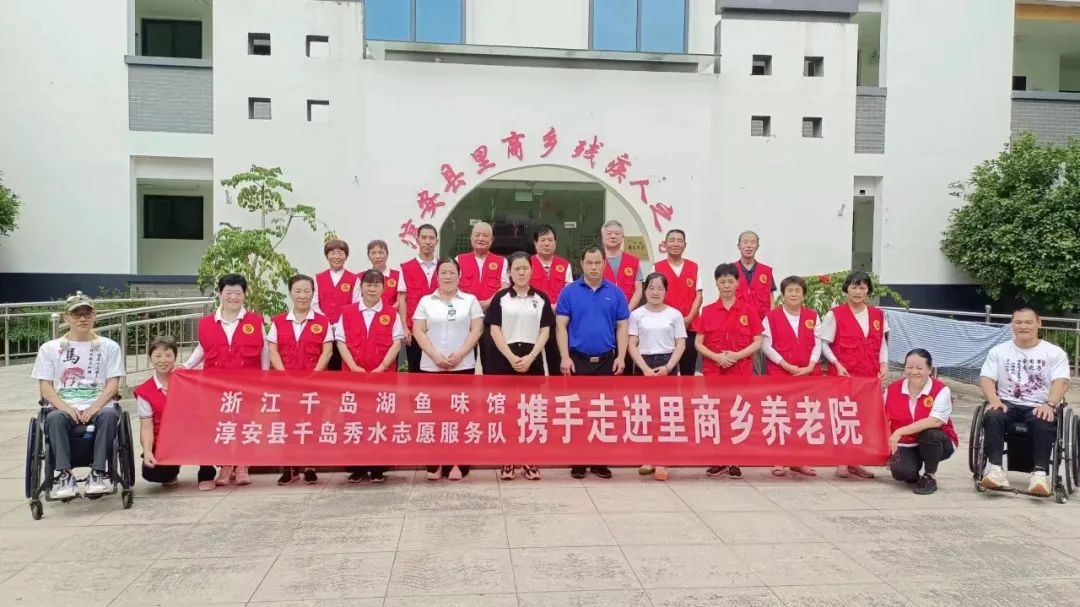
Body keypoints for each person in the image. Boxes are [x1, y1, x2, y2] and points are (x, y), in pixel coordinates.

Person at [178, 273, 269, 488]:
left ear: (244, 295)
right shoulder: (207, 323)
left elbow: (264, 349)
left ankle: (243, 466)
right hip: (216, 385)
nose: (233, 297)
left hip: (247, 383)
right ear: (220, 294)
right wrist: (187, 366)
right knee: (222, 424)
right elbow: (203, 348)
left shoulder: (255, 321)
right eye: (228, 292)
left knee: (245, 423)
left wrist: (265, 377)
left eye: (238, 293)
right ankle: (226, 466)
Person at [32, 294, 125, 499]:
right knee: (55, 418)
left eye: (87, 314)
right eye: (76, 314)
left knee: (109, 416)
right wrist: (66, 407)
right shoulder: (50, 348)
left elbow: (113, 384)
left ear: (94, 316)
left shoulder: (109, 346)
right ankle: (65, 474)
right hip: (63, 405)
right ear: (66, 318)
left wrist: (95, 407)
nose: (82, 319)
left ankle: (98, 473)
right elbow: (46, 387)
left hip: (98, 404)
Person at [978, 307, 1071, 496]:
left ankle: (1039, 474)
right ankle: (995, 470)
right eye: (1018, 322)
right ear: (1012, 325)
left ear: (1039, 323)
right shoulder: (999, 351)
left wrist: (1050, 404)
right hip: (1008, 403)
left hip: (1040, 404)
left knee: (1044, 418)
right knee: (992, 415)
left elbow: (1061, 381)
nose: (1023, 326)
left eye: (1028, 322)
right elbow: (986, 378)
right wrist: (994, 400)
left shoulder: (1054, 352)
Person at [556, 245, 630, 480]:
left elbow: (622, 327)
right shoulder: (569, 292)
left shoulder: (615, 293)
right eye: (589, 263)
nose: (594, 267)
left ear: (604, 264)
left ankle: (600, 461)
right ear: (581, 264)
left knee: (603, 411)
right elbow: (561, 327)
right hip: (578, 360)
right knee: (578, 411)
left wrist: (621, 356)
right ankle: (578, 461)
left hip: (607, 360)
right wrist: (565, 357)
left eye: (598, 263)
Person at [412, 258, 485, 481]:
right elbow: (418, 330)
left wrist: (460, 354)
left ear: (459, 275)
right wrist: (434, 355)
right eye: (443, 272)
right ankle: (434, 463)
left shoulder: (469, 301)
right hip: (431, 366)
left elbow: (476, 330)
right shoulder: (426, 301)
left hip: (462, 366)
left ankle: (457, 463)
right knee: (433, 416)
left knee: (459, 416)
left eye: (452, 272)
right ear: (437, 276)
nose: (447, 276)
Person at [487, 251, 555, 481]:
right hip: (504, 358)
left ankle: (528, 458)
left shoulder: (541, 298)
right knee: (507, 411)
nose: (521, 272)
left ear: (531, 270)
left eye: (525, 268)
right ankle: (507, 459)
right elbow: (494, 329)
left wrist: (531, 356)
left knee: (530, 411)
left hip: (531, 358)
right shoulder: (501, 298)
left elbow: (545, 330)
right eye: (516, 269)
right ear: (509, 272)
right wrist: (510, 357)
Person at [694, 263, 764, 479]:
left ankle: (735, 459)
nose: (726, 285)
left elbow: (758, 341)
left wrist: (736, 356)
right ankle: (719, 459)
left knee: (737, 413)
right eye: (722, 281)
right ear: (716, 283)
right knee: (717, 414)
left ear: (737, 283)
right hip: (714, 371)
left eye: (730, 281)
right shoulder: (707, 311)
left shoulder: (748, 311)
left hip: (740, 370)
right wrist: (716, 357)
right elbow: (698, 343)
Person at [336, 270, 405, 483]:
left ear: (383, 288)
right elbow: (341, 341)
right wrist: (353, 366)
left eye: (376, 285)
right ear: (361, 287)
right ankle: (356, 467)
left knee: (381, 420)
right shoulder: (347, 311)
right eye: (368, 284)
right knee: (353, 420)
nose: (372, 289)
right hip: (353, 376)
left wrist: (382, 367)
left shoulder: (391, 313)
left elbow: (397, 342)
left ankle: (378, 467)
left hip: (382, 376)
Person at [816, 270, 887, 479]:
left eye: (862, 287)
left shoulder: (878, 315)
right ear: (846, 289)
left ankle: (856, 459)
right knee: (843, 416)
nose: (858, 291)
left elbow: (882, 342)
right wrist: (836, 364)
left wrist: (884, 363)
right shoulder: (835, 314)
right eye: (854, 287)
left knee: (864, 417)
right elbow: (824, 343)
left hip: (869, 376)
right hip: (844, 375)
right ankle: (841, 460)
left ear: (868, 291)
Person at [267, 274, 334, 485]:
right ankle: (290, 467)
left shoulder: (322, 321)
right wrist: (283, 373)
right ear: (290, 293)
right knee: (287, 424)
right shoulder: (278, 321)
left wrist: (315, 372)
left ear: (313, 294)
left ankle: (310, 466)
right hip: (286, 383)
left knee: (312, 423)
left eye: (307, 291)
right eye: (298, 291)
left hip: (314, 383)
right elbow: (273, 350)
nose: (302, 295)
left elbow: (327, 351)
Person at [135, 335, 218, 490]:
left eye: (168, 356)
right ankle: (172, 469)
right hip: (165, 441)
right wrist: (147, 452)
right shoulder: (145, 391)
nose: (163, 360)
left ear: (175, 357)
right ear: (150, 358)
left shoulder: (189, 380)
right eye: (158, 356)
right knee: (152, 473)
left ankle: (206, 471)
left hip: (192, 434)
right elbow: (146, 427)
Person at [629, 273, 687, 482]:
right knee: (645, 412)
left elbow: (680, 344)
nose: (655, 292)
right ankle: (648, 457)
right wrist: (644, 368)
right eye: (651, 288)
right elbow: (631, 345)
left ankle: (662, 460)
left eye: (660, 288)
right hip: (643, 363)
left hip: (667, 363)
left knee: (665, 413)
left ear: (666, 291)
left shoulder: (675, 315)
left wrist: (668, 367)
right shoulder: (636, 315)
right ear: (645, 290)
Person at [762, 275, 821, 478]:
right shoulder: (771, 317)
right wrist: (785, 365)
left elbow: (818, 343)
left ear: (804, 295)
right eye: (790, 291)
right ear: (783, 294)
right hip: (780, 373)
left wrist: (810, 365)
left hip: (807, 374)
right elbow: (766, 345)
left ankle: (800, 459)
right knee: (780, 414)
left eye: (798, 291)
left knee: (802, 415)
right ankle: (778, 458)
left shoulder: (813, 316)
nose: (794, 294)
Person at [885, 349, 958, 495]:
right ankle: (913, 470)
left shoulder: (941, 390)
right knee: (901, 472)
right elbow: (881, 417)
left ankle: (930, 476)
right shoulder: (892, 390)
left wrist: (900, 431)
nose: (914, 372)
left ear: (929, 369)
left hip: (938, 443)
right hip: (907, 442)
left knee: (930, 433)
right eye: (909, 367)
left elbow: (935, 421)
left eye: (919, 368)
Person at [456, 221, 509, 370]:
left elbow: (504, 286)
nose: (481, 238)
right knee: (464, 361)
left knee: (491, 362)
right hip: (465, 319)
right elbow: (455, 286)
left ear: (491, 240)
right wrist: (473, 305)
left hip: (491, 319)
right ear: (471, 238)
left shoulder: (501, 261)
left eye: (485, 236)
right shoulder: (459, 260)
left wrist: (487, 303)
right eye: (477, 235)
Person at [652, 229, 702, 376]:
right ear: (665, 244)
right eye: (672, 240)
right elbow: (652, 297)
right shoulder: (656, 268)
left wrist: (688, 319)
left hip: (690, 326)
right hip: (664, 327)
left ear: (685, 245)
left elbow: (699, 296)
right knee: (665, 371)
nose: (676, 244)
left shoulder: (694, 267)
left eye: (679, 241)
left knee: (688, 370)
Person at [529, 224, 573, 374]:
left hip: (558, 320)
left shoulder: (564, 265)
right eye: (542, 240)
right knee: (533, 363)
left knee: (557, 362)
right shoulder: (528, 263)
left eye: (550, 240)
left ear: (556, 242)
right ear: (535, 243)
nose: (546, 244)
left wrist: (556, 307)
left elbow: (568, 292)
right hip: (533, 320)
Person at [313, 239, 360, 371]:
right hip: (322, 328)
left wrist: (339, 324)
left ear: (346, 256)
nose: (336, 257)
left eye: (340, 253)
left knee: (342, 364)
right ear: (326, 256)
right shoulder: (318, 278)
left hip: (345, 329)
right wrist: (326, 322)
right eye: (332, 253)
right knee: (323, 363)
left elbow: (355, 304)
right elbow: (314, 304)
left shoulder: (354, 279)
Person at [733, 230, 776, 375]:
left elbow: (771, 298)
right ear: (738, 246)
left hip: (760, 324)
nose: (748, 245)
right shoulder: (731, 270)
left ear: (757, 246)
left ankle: (756, 386)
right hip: (736, 323)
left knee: (758, 363)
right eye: (745, 242)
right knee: (737, 362)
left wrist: (769, 323)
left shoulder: (766, 271)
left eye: (752, 242)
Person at [398, 223, 440, 372]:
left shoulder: (444, 267)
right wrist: (404, 327)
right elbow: (402, 299)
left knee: (438, 370)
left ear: (436, 241)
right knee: (415, 370)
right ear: (417, 240)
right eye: (424, 238)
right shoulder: (405, 268)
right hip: (414, 329)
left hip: (439, 328)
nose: (428, 241)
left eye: (431, 238)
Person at [600, 220, 644, 309]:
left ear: (622, 237)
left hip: (628, 311)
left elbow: (638, 290)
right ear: (602, 237)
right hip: (601, 311)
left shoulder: (633, 261)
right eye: (609, 233)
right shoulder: (596, 260)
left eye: (617, 233)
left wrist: (627, 310)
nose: (613, 236)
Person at [368, 239, 405, 312]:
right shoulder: (362, 277)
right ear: (368, 256)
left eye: (381, 252)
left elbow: (400, 301)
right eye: (373, 253)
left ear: (387, 254)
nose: (377, 256)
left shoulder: (398, 275)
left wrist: (389, 311)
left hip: (392, 315)